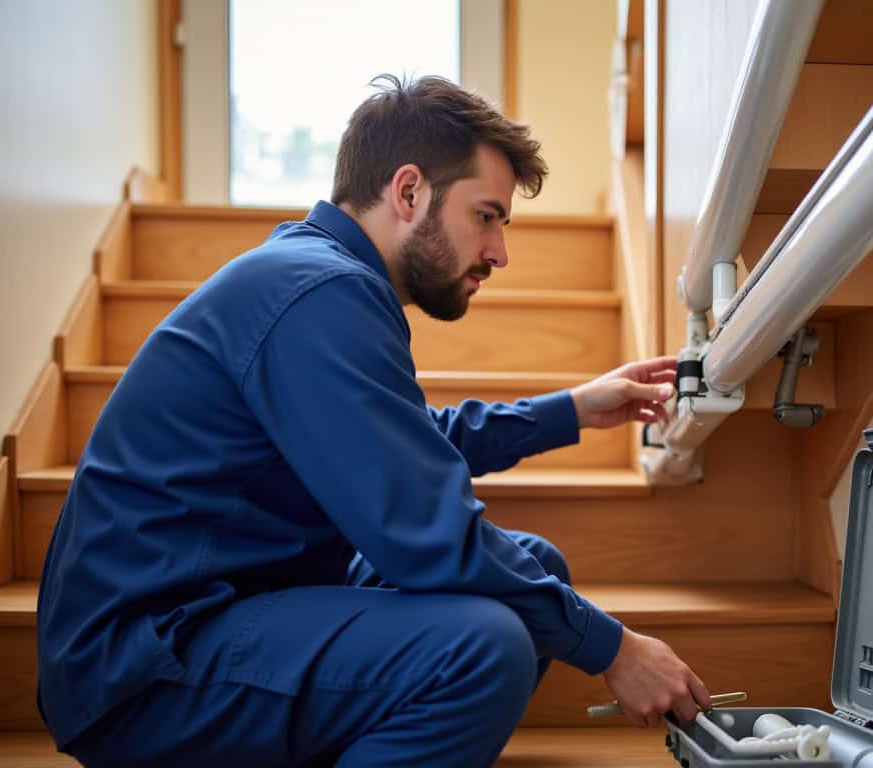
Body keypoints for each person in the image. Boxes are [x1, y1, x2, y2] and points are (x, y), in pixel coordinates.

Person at [36, 74, 711, 767]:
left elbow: (397, 451)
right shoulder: (320, 293)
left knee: (538, 570)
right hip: (147, 665)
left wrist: (567, 413)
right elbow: (424, 531)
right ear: (409, 191)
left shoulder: (317, 278)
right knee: (483, 648)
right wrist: (616, 648)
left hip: (230, 604)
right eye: (486, 216)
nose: (499, 253)